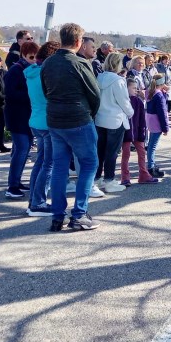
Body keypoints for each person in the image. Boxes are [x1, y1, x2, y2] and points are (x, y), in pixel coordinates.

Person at [41, 23, 101, 232]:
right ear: (78, 42)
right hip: (78, 119)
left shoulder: (48, 63)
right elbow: (95, 94)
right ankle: (79, 214)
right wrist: (89, 114)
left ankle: (58, 216)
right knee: (88, 164)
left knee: (59, 168)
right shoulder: (80, 63)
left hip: (55, 120)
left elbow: (45, 90)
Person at [25, 40, 60, 217]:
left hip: (36, 121)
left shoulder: (31, 72)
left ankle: (33, 199)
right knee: (48, 164)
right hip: (47, 123)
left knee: (40, 162)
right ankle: (38, 203)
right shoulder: (45, 74)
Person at [94, 52, 135, 193]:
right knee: (112, 152)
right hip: (115, 120)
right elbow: (124, 101)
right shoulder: (118, 80)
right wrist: (131, 113)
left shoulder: (99, 77)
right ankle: (109, 181)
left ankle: (98, 178)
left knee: (100, 151)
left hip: (100, 118)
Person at [4, 40, 38, 199]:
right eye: (31, 57)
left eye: (36, 57)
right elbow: (10, 94)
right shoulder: (15, 70)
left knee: (24, 150)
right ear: (24, 55)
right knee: (21, 149)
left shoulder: (30, 68)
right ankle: (11, 186)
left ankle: (16, 182)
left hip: (27, 117)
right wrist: (31, 96)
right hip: (16, 116)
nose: (34, 60)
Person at [121, 76, 158, 184]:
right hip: (126, 133)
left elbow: (142, 120)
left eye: (136, 88)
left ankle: (143, 175)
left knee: (142, 153)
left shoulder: (138, 102)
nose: (136, 90)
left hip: (137, 133)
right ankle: (125, 177)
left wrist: (142, 133)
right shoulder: (123, 101)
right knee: (126, 155)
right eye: (133, 88)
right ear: (126, 88)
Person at [144, 76, 170, 178]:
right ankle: (151, 167)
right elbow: (162, 112)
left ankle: (151, 164)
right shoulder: (159, 95)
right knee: (152, 146)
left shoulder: (151, 92)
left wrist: (164, 93)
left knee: (151, 144)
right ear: (162, 83)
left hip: (150, 120)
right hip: (156, 122)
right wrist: (165, 128)